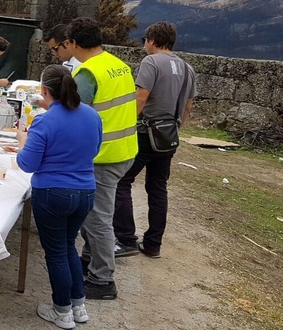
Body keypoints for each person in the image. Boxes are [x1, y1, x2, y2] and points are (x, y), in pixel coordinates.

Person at [17, 65, 102, 329]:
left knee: (55, 252)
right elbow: (95, 150)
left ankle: (62, 310)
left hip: (52, 192)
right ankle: (78, 305)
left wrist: (22, 141)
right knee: (68, 246)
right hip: (85, 190)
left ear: (44, 90)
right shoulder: (92, 115)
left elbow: (27, 164)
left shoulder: (44, 120)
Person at [67, 17, 138, 300]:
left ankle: (103, 279)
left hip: (103, 155)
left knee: (97, 218)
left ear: (73, 43)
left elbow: (74, 114)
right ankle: (90, 259)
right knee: (95, 213)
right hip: (124, 149)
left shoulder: (87, 72)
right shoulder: (118, 64)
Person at [113, 22, 197, 259]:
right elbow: (188, 106)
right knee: (158, 188)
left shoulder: (150, 62)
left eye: (145, 41)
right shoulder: (187, 68)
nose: (144, 46)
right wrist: (176, 128)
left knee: (121, 181)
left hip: (145, 132)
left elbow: (141, 98)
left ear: (152, 40)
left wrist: (126, 125)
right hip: (168, 136)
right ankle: (153, 244)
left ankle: (126, 238)